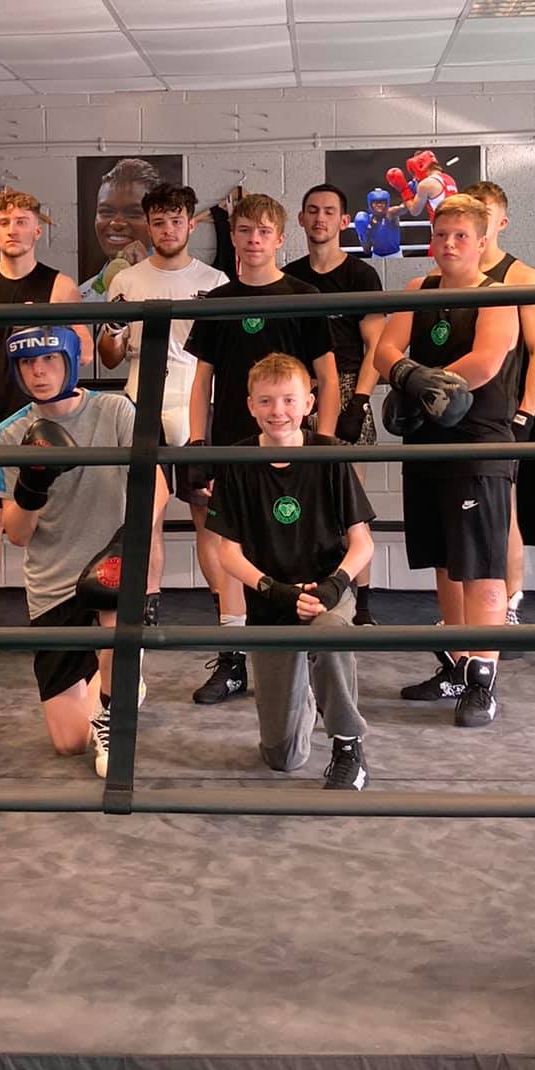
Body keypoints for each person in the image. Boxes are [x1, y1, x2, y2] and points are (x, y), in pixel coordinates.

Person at [185, 192, 339, 706]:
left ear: (280, 239)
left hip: (294, 442)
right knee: (227, 545)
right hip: (234, 445)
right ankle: (232, 656)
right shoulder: (217, 300)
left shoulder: (303, 295)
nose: (254, 240)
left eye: (264, 232)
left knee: (301, 538)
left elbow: (327, 378)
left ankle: (308, 647)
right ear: (233, 236)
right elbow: (201, 381)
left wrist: (325, 445)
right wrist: (200, 444)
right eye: (245, 230)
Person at [375, 194, 520, 728]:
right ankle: (458, 665)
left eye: (461, 236)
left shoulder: (497, 297)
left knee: (481, 565)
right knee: (445, 562)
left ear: (482, 242)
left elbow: (485, 362)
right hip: (428, 443)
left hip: (476, 445)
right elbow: (384, 352)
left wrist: (422, 387)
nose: (449, 244)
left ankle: (483, 681)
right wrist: (414, 382)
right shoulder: (418, 290)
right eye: (440, 235)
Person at [0, 325, 166, 776]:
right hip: (53, 580)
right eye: (27, 362)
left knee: (116, 625)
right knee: (70, 742)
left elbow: (158, 488)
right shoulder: (11, 432)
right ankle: (124, 679)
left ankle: (113, 704)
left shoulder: (115, 410)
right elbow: (17, 534)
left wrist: (128, 540)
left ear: (71, 361)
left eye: (49, 359)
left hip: (112, 563)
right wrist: (33, 483)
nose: (38, 371)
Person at [207, 355, 375, 790]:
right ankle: (303, 699)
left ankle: (348, 746)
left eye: (288, 400)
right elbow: (228, 553)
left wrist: (333, 587)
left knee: (328, 632)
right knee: (283, 757)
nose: (277, 410)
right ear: (250, 405)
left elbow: (363, 543)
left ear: (309, 403)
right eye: (266, 400)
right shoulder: (237, 461)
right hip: (272, 600)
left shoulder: (329, 455)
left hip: (326, 593)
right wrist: (277, 590)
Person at [0, 191, 88, 664]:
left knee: (59, 514)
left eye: (22, 221)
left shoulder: (59, 286)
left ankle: (68, 615)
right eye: (4, 222)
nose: (12, 230)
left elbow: (84, 353)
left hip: (50, 415)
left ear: (37, 230)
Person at [96, 182, 228, 625]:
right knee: (145, 512)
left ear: (190, 224)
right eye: (159, 222)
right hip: (141, 400)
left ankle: (226, 616)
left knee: (207, 512)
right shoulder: (126, 280)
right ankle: (144, 610)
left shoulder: (215, 282)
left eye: (176, 221)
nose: (168, 229)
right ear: (148, 227)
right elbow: (109, 358)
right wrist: (113, 328)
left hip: (197, 403)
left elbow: (224, 356)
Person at [284, 181, 385, 624]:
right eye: (312, 210)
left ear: (344, 220)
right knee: (301, 502)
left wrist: (358, 402)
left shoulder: (361, 275)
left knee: (349, 505)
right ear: (301, 219)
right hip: (298, 391)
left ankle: (361, 605)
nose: (320, 218)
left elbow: (376, 346)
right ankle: (304, 598)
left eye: (329, 211)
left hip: (346, 387)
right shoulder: (289, 276)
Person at [468, 179, 535, 625]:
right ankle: (463, 615)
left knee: (505, 508)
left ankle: (510, 605)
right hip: (456, 415)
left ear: (501, 222)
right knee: (461, 512)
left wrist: (525, 414)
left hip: (500, 413)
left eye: (486, 213)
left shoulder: (519, 277)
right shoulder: (449, 276)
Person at [79, 156, 164, 299]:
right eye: (106, 212)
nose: (116, 223)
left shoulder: (182, 289)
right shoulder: (81, 297)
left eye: (134, 213)